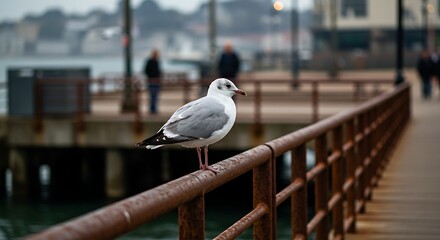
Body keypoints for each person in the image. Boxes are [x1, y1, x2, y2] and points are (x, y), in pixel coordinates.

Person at [143, 49, 162, 113]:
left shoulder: (156, 61)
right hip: (152, 81)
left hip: (156, 81)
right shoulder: (150, 61)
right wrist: (152, 76)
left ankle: (153, 108)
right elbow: (146, 71)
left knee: (155, 96)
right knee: (152, 95)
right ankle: (152, 109)